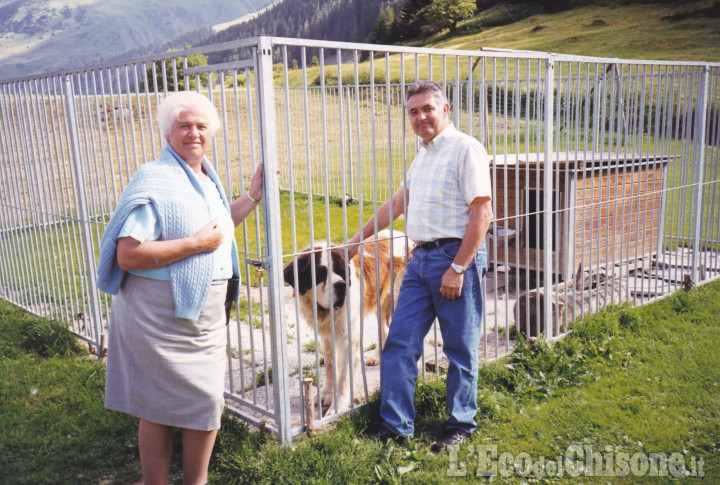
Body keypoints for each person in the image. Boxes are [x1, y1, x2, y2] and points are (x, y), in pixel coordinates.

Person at [97, 91, 263, 485]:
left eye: (201, 126)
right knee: (156, 406)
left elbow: (216, 232)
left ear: (212, 133)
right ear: (167, 132)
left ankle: (195, 482)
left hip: (201, 316)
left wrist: (252, 197)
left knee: (205, 401)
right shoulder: (155, 178)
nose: (193, 133)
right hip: (157, 315)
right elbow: (129, 255)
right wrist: (194, 245)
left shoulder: (206, 177)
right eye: (183, 125)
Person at [346, 80, 493, 451]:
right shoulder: (424, 154)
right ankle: (396, 426)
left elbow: (483, 215)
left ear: (445, 110)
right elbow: (397, 203)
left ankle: (460, 425)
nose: (421, 116)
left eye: (428, 108)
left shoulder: (466, 150)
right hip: (418, 259)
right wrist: (355, 239)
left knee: (459, 348)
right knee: (399, 342)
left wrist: (457, 269)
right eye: (413, 111)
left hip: (455, 257)